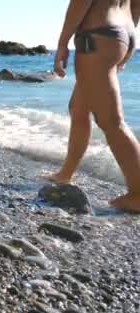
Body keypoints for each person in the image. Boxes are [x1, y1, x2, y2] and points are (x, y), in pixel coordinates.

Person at [49, 0, 140, 212]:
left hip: (98, 34)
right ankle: (66, 174)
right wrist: (127, 43)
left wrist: (63, 43)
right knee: (79, 109)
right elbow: (136, 6)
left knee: (111, 120)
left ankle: (138, 194)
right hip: (123, 31)